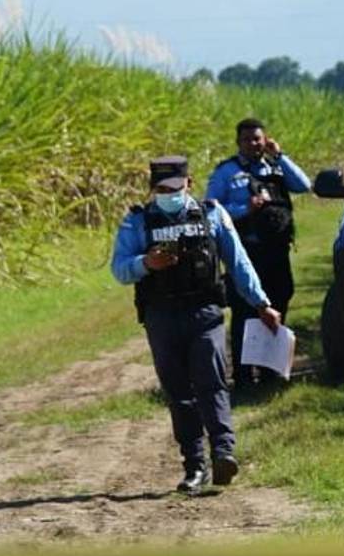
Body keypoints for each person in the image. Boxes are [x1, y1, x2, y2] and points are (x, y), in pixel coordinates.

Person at [111, 155, 281, 494]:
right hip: (160, 316)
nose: (168, 194)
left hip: (204, 313)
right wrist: (147, 262)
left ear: (189, 183)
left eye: (174, 188)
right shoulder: (137, 223)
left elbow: (238, 263)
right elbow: (119, 268)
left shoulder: (213, 214)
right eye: (161, 189)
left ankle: (223, 453)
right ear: (152, 188)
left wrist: (261, 303)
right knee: (179, 394)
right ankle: (195, 466)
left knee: (212, 382)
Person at [206, 119, 310, 392]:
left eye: (258, 139)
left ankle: (271, 370)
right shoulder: (226, 172)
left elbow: (303, 185)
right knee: (245, 311)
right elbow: (212, 211)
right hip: (247, 253)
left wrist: (281, 155)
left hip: (277, 251)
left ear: (266, 140)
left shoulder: (275, 166)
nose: (254, 144)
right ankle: (242, 375)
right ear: (238, 142)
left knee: (279, 303)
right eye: (248, 140)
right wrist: (244, 208)